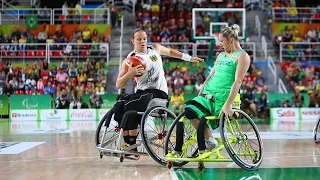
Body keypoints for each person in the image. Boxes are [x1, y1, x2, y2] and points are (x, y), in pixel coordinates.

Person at [113, 28, 203, 158]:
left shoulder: (154, 49)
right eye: (139, 39)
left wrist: (189, 58)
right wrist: (130, 74)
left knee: (133, 103)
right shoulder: (128, 61)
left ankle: (130, 143)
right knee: (120, 104)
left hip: (159, 94)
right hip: (142, 93)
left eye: (144, 38)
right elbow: (118, 84)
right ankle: (129, 144)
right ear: (132, 41)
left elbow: (171, 51)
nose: (142, 41)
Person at [168, 24, 251, 159]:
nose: (220, 44)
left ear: (230, 40)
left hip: (224, 97)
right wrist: (200, 93)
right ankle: (210, 141)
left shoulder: (242, 56)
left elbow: (238, 81)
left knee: (201, 116)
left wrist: (229, 104)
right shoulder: (221, 56)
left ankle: (207, 142)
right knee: (189, 110)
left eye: (222, 41)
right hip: (208, 94)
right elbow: (210, 76)